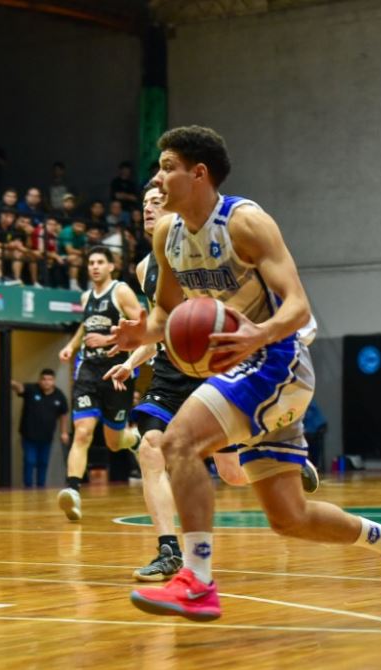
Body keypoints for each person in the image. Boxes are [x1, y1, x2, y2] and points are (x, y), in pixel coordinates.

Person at [114, 126, 381, 620]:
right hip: (245, 367)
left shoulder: (246, 223)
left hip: (278, 360)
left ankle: (196, 579)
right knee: (289, 518)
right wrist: (142, 334)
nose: (157, 178)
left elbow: (298, 306)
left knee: (177, 442)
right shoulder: (165, 235)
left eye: (168, 167)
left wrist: (257, 335)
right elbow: (165, 314)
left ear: (199, 174)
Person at [107, 186, 320, 582]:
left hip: (217, 361)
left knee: (233, 474)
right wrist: (132, 358)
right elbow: (162, 326)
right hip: (173, 368)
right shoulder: (145, 267)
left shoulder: (216, 241)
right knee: (152, 448)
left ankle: (286, 456)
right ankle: (170, 552)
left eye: (157, 201)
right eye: (145, 204)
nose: (150, 208)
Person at [56, 246, 143, 520]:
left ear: (110, 266)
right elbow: (85, 326)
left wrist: (108, 340)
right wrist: (71, 346)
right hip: (88, 371)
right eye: (91, 262)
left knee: (114, 442)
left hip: (116, 372)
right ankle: (72, 491)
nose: (94, 266)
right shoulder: (86, 296)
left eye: (100, 262)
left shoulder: (121, 292)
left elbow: (142, 326)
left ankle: (133, 439)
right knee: (82, 432)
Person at [10, 369, 70, 488]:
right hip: (29, 436)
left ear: (54, 381)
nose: (46, 382)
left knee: (43, 463)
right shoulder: (32, 389)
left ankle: (41, 487)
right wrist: (10, 381)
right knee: (30, 461)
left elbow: (63, 414)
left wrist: (64, 432)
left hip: (47, 436)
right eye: (44, 379)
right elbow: (20, 388)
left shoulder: (59, 395)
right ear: (39, 380)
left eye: (49, 379)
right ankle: (28, 487)